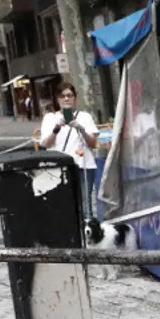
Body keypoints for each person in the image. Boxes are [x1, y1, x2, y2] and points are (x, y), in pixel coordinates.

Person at [39, 82, 99, 219]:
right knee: (62, 205)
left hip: (84, 166)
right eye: (62, 96)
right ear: (57, 99)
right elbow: (46, 144)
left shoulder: (85, 117)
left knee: (85, 206)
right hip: (59, 169)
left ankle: (86, 235)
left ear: (75, 98)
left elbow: (93, 143)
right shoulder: (50, 118)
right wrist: (56, 128)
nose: (66, 99)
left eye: (69, 96)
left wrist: (81, 128)